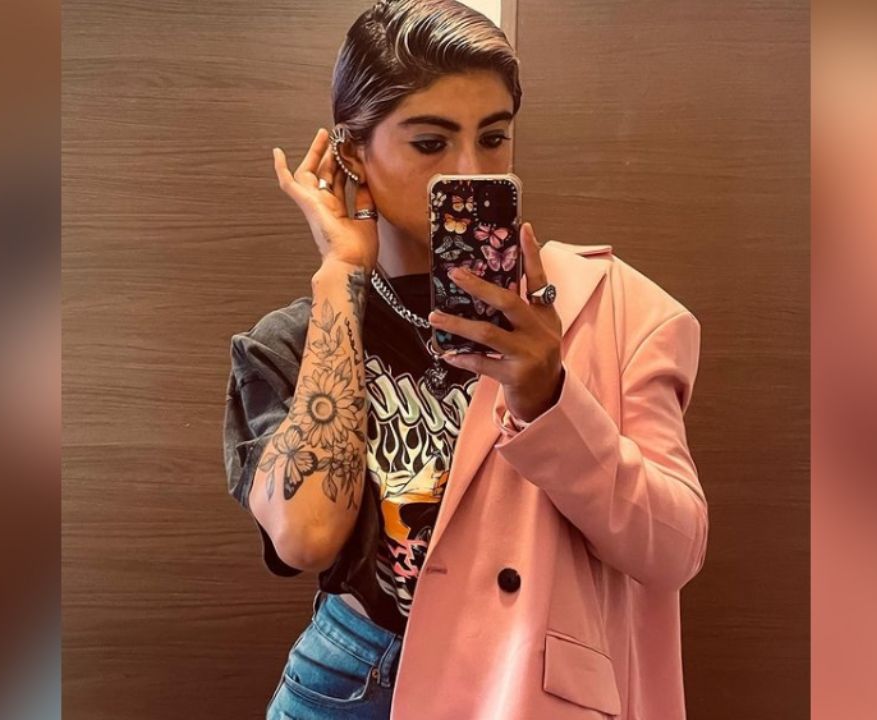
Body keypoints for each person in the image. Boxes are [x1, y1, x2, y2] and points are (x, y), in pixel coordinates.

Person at [222, 1, 707, 718]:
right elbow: (305, 538)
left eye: (494, 138)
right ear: (353, 155)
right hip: (346, 680)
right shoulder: (295, 341)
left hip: (516, 683)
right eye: (431, 143)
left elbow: (674, 551)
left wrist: (549, 398)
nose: (471, 171)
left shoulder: (610, 308)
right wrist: (341, 275)